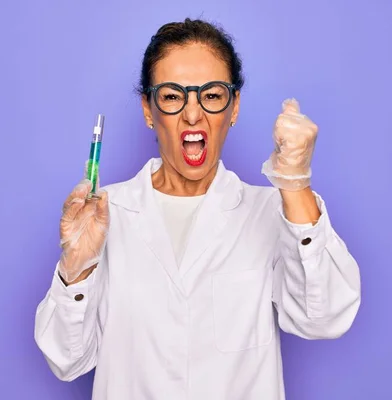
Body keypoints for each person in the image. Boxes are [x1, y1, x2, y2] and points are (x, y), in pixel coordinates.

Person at [34, 18, 361, 400]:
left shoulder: (273, 212)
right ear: (148, 109)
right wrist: (77, 269)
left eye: (212, 94)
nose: (193, 114)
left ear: (234, 106)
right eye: (173, 96)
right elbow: (67, 361)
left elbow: (324, 318)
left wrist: (296, 185)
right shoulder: (105, 215)